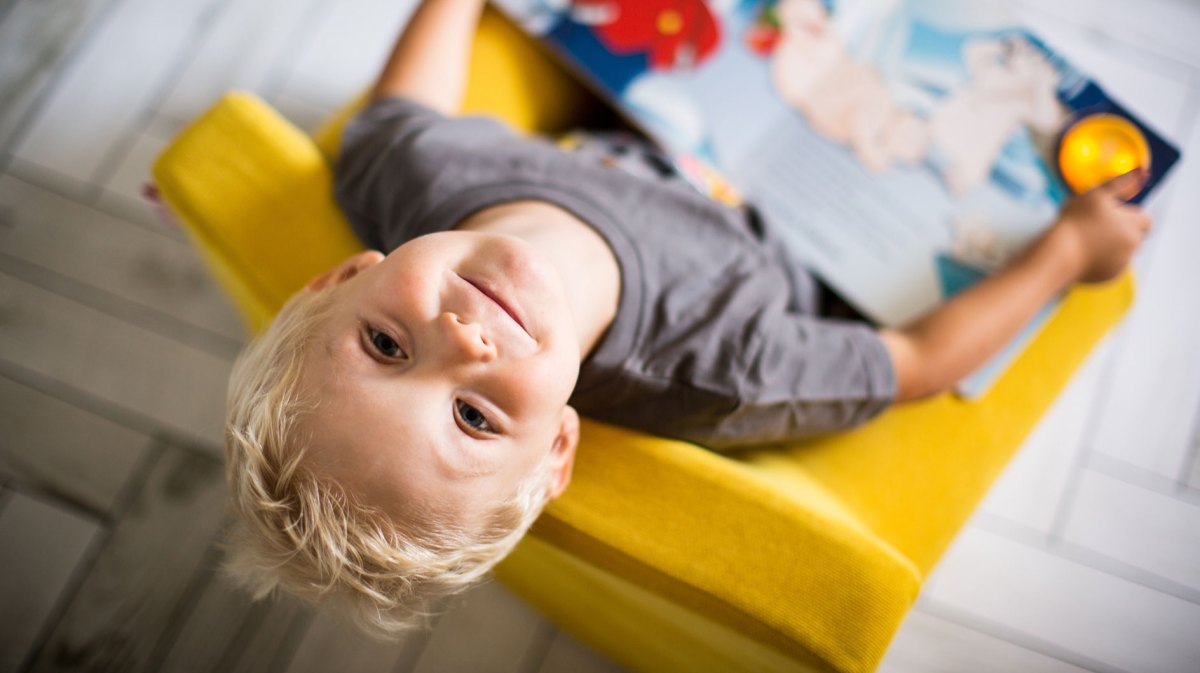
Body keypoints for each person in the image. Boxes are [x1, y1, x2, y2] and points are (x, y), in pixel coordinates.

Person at [222, 0, 1152, 639]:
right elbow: (912, 359)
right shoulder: (725, 372)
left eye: (386, 344)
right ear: (557, 450)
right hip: (828, 221)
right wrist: (1068, 251)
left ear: (345, 274)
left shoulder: (404, 176)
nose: (464, 342)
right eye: (475, 414)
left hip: (681, 110)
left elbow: (397, 109)